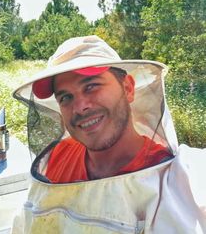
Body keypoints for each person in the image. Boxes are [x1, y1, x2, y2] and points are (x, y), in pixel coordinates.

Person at [12, 35, 206, 233]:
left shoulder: (175, 182)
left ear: (128, 88)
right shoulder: (58, 157)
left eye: (91, 86)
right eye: (65, 97)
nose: (79, 107)